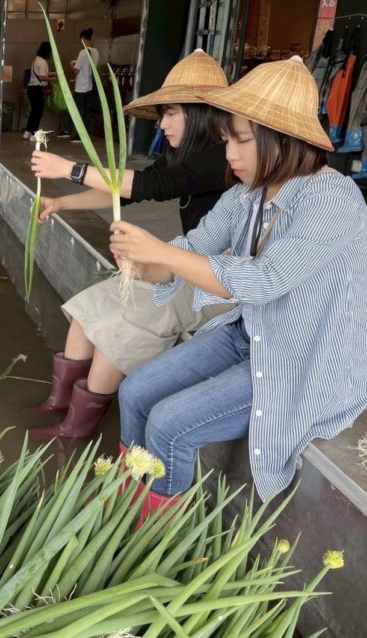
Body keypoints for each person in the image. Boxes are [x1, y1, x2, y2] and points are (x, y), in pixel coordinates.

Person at [111, 56, 367, 520]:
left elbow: (265, 280)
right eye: (228, 138)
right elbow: (195, 248)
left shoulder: (332, 199)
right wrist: (142, 262)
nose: (230, 153)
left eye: (242, 141)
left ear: (281, 138)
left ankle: (149, 539)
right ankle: (130, 500)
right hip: (247, 335)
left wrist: (165, 254)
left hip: (298, 355)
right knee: (134, 391)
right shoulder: (248, 193)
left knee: (170, 424)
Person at [28, 50, 232, 439]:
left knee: (117, 327)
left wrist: (69, 169)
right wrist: (60, 202)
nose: (164, 124)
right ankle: (60, 402)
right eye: (162, 115)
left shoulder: (219, 158)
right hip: (179, 262)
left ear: (201, 113)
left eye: (172, 113)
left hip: (212, 281)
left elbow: (149, 187)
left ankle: (76, 430)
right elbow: (126, 189)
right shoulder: (184, 157)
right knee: (91, 309)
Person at [69, 28, 99, 142]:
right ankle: (85, 134)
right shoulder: (96, 52)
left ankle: (78, 135)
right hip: (89, 86)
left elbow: (76, 70)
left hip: (81, 87)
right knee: (86, 111)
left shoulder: (83, 52)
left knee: (78, 111)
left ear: (83, 39)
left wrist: (70, 65)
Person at [24, 41, 55, 141]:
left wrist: (53, 73)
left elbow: (40, 74)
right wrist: (53, 79)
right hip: (38, 89)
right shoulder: (43, 62)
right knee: (38, 112)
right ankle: (34, 135)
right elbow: (42, 77)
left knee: (34, 111)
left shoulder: (36, 60)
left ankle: (27, 132)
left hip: (31, 88)